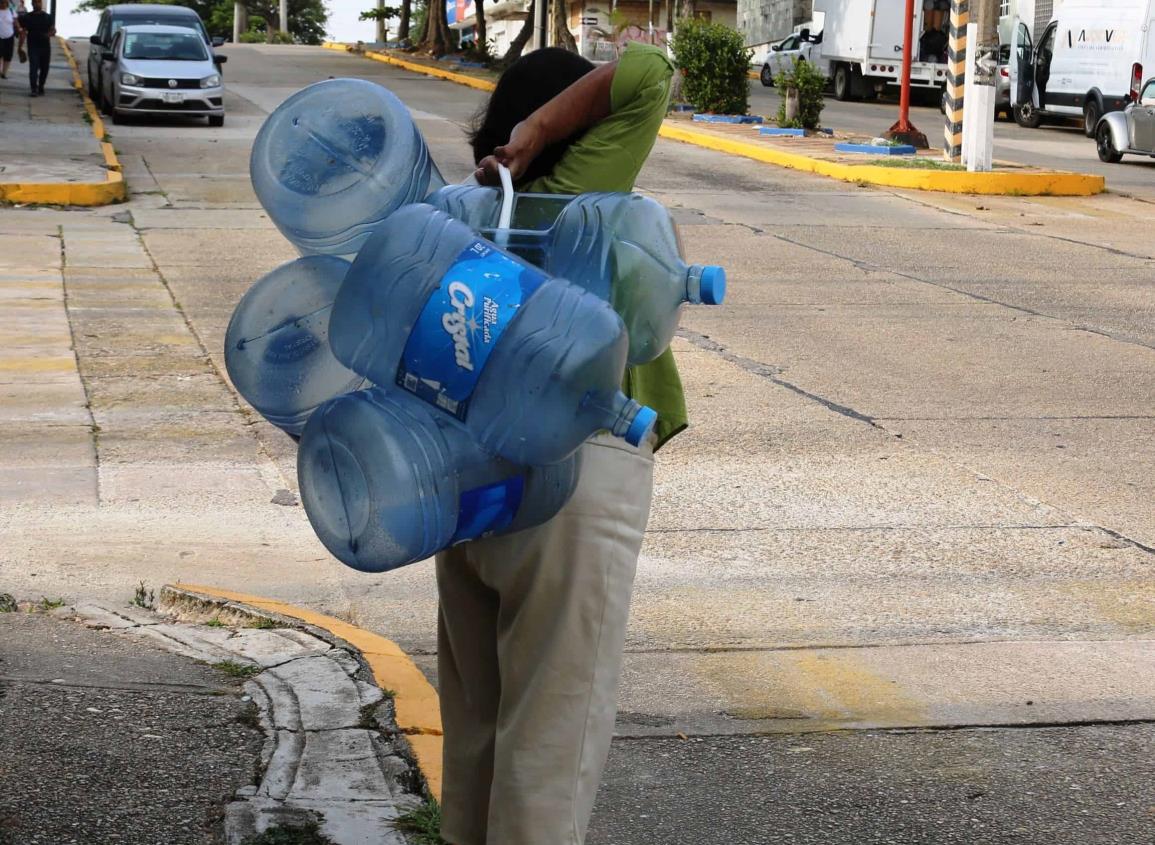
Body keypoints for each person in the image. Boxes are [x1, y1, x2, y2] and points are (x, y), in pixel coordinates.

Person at [435, 42, 685, 845]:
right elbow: (645, 73)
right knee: (551, 740)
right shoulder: (578, 195)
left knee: (476, 730)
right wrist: (545, 127)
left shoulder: (464, 219)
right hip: (571, 483)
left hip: (460, 486)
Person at [17, 0, 53, 96]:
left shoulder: (48, 17)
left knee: (45, 68)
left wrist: (49, 34)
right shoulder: (27, 17)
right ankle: (34, 89)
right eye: (35, 2)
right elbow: (23, 32)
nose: (37, 4)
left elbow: (53, 29)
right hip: (33, 46)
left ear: (41, 3)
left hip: (45, 47)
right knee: (33, 67)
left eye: (39, 2)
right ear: (32, 4)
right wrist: (19, 47)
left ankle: (41, 86)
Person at [0, 0, 17, 79]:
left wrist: (19, 29)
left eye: (5, 2)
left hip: (9, 36)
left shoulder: (11, 10)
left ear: (7, 3)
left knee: (8, 55)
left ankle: (4, 73)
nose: (3, 4)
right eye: (1, 2)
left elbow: (15, 22)